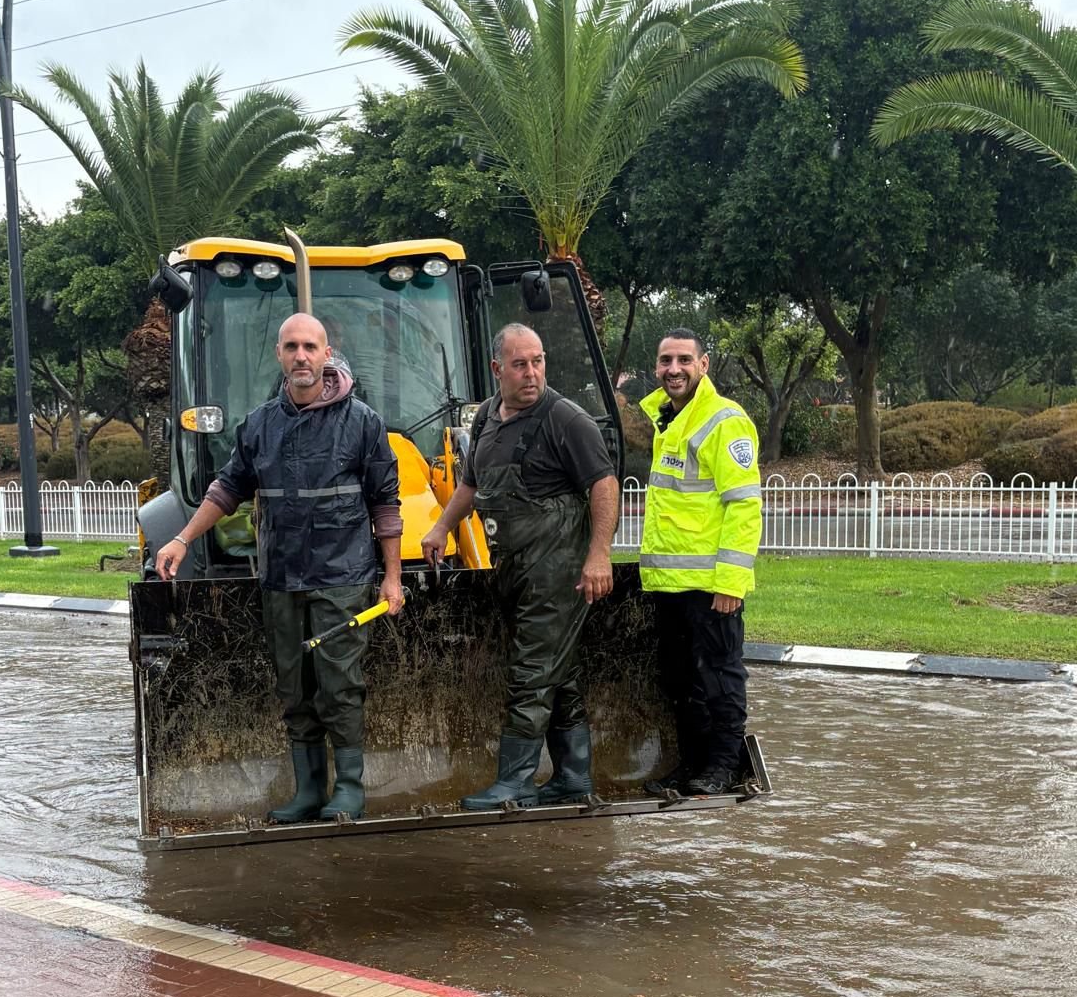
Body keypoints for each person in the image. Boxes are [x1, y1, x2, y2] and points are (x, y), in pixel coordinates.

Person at [156, 313, 404, 823]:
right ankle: (309, 791)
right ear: (279, 355)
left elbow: (385, 504)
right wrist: (182, 538)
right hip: (281, 579)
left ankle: (350, 789)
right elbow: (225, 491)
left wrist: (393, 576)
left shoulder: (363, 423)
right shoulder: (259, 425)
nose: (301, 356)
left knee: (339, 685)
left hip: (343, 579)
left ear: (326, 352)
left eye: (310, 346)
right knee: (294, 688)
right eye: (291, 347)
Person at [422, 323, 618, 809]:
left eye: (538, 361)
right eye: (519, 364)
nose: (531, 373)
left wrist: (598, 555)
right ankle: (574, 777)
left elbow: (604, 485)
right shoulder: (487, 417)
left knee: (531, 670)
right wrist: (441, 528)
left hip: (559, 567)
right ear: (497, 370)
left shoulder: (567, 419)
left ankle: (514, 780)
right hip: (514, 562)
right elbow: (470, 485)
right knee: (559, 669)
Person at [638, 328, 762, 797]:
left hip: (712, 584)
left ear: (703, 364)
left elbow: (744, 506)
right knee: (679, 679)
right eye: (666, 360)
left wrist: (731, 581)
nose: (674, 369)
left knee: (719, 675)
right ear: (656, 367)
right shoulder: (666, 420)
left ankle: (725, 767)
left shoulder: (723, 421)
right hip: (669, 583)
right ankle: (691, 765)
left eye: (684, 360)